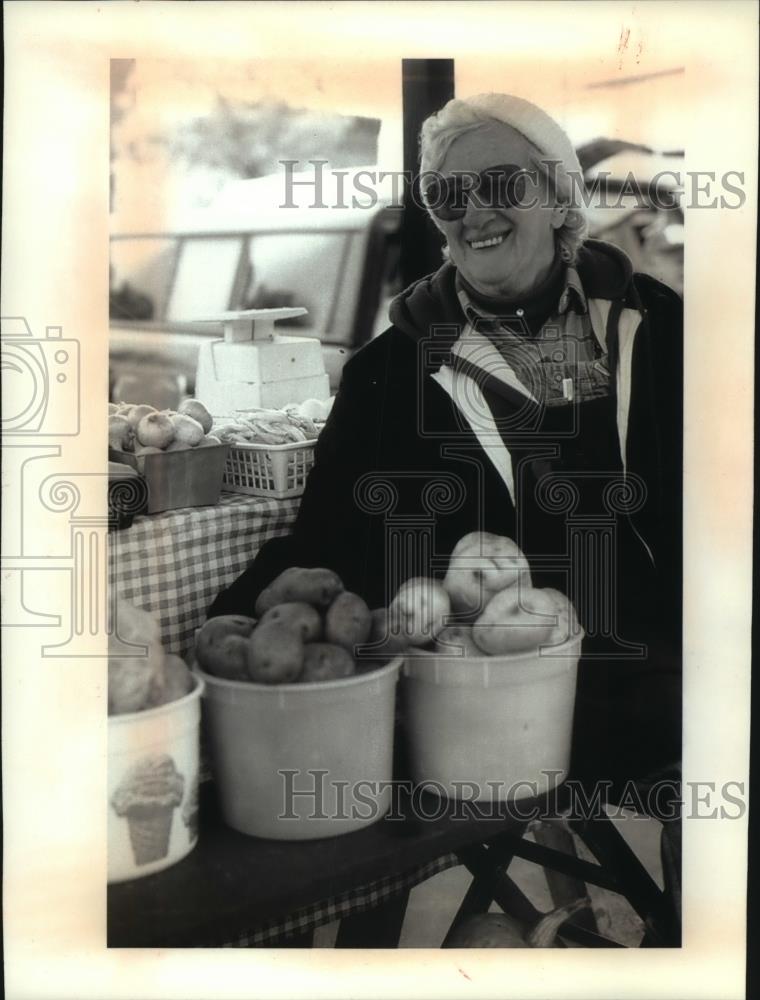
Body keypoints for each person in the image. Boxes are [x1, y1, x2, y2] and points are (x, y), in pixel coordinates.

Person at [210, 93, 682, 792]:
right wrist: (235, 617)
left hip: (661, 663)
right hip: (484, 696)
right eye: (446, 194)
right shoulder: (387, 369)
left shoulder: (657, 326)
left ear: (559, 197)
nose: (471, 209)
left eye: (500, 184)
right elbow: (327, 541)